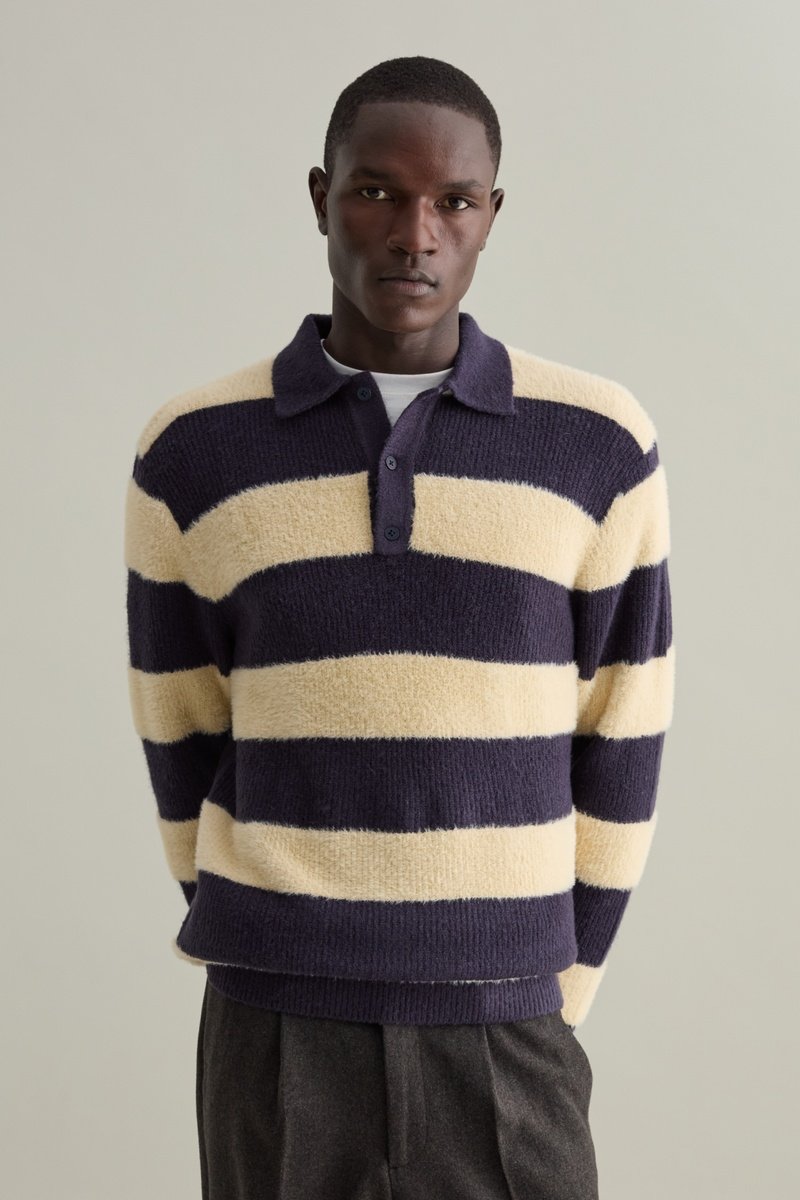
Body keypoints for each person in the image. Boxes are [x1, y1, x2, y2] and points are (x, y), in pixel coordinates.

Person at [124, 55, 675, 1200]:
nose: (414, 234)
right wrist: (270, 939)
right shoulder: (193, 452)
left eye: (452, 201)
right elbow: (180, 736)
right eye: (376, 191)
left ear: (489, 215)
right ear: (319, 197)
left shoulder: (596, 446)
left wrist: (550, 987)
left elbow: (620, 737)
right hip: (274, 1026)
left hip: (507, 1027)